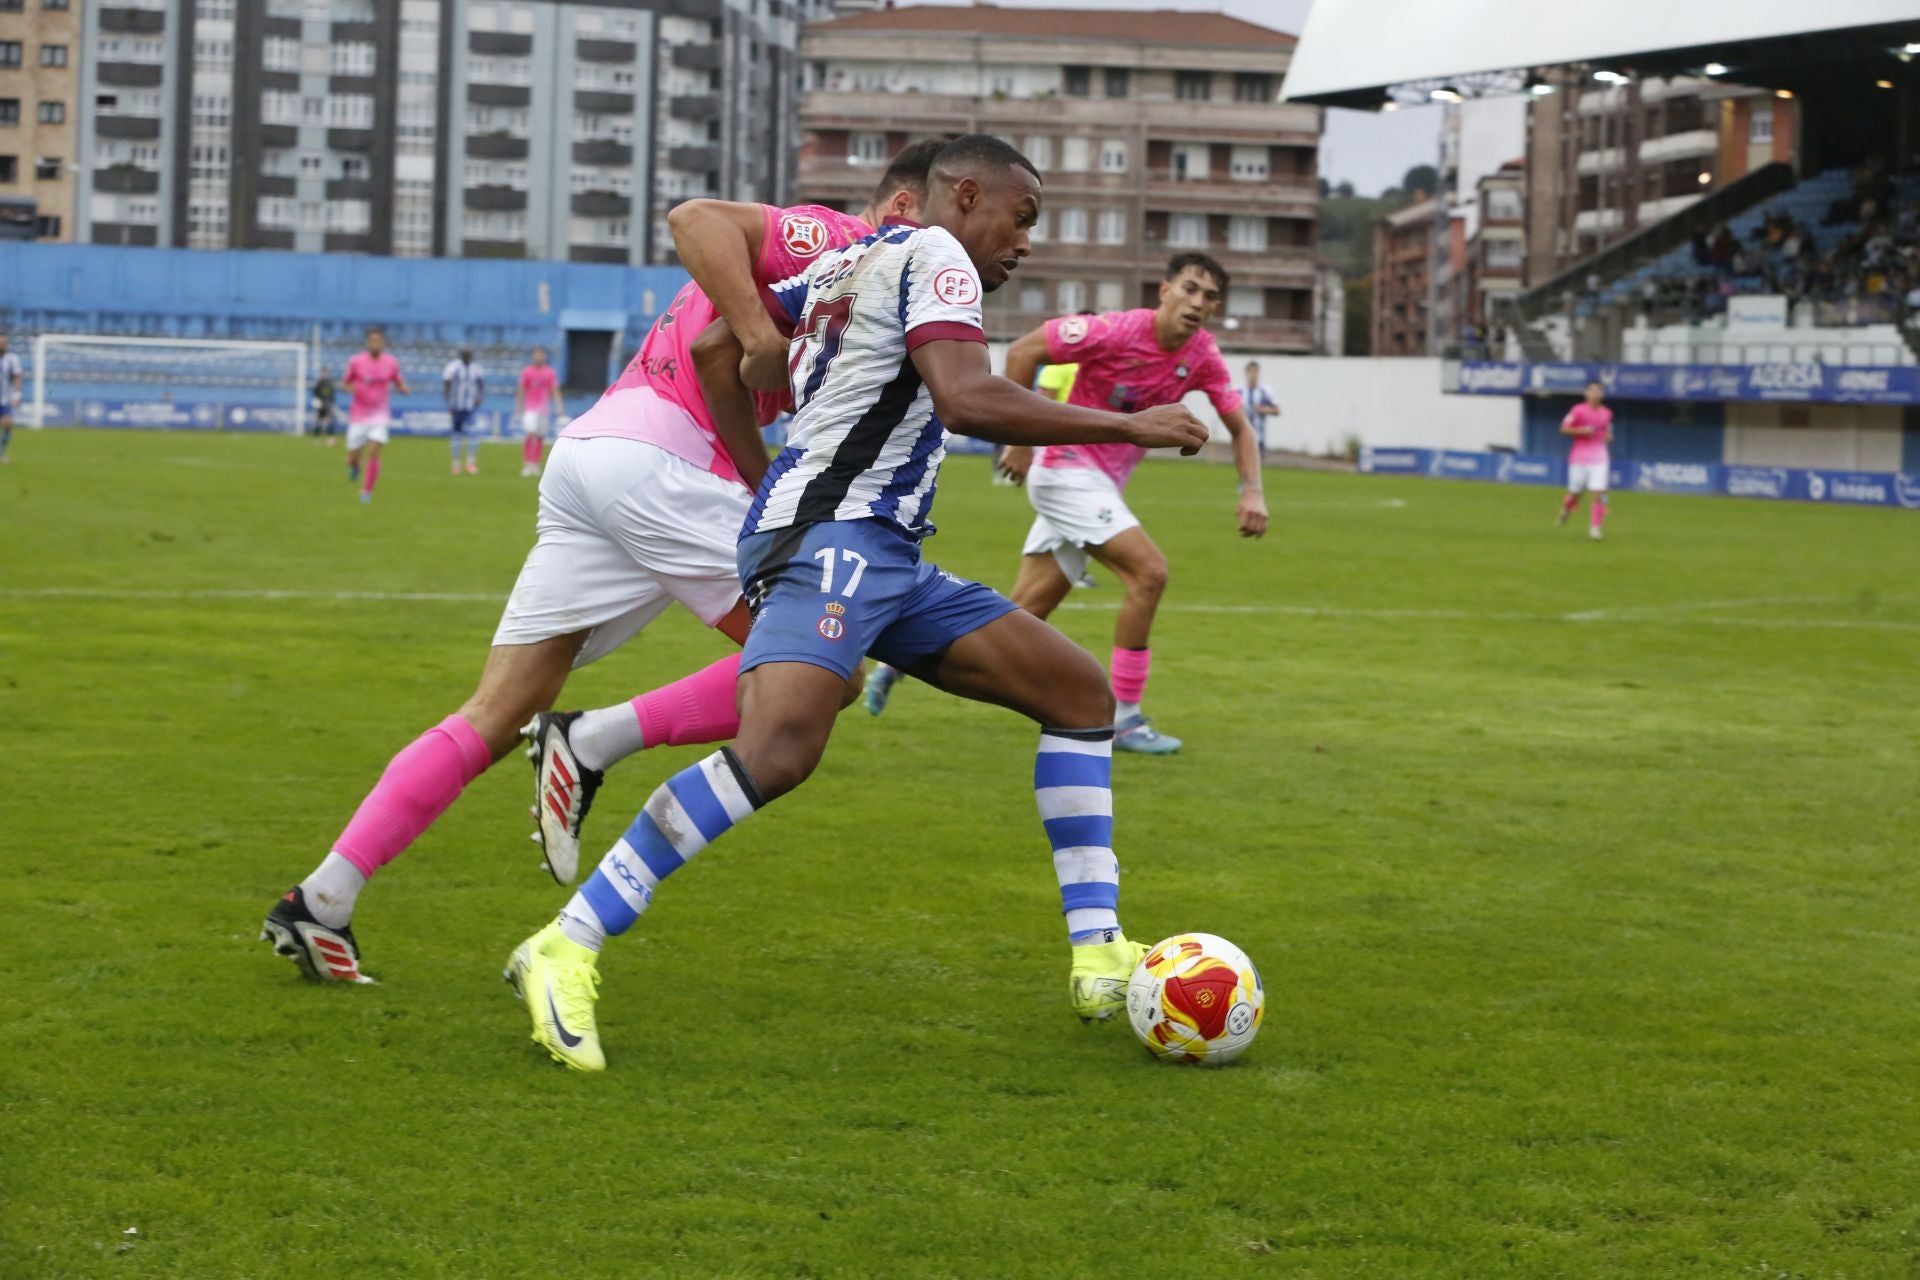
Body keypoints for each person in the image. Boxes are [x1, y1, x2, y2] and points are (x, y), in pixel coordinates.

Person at [501, 133, 1212, 1072]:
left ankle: (1097, 948)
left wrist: (769, 481)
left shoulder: (849, 263)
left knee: (1079, 698)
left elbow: (719, 347)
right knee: (779, 750)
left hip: (875, 547)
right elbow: (964, 399)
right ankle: (568, 940)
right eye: (1021, 217)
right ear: (964, 195)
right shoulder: (938, 256)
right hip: (840, 539)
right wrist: (1131, 423)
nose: (1023, 243)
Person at [259, 144, 940, 986]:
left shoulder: (878, 297)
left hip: (598, 455)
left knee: (499, 706)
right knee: (826, 677)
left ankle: (322, 899)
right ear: (906, 205)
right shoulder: (840, 241)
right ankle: (590, 741)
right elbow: (696, 221)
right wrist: (761, 343)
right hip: (665, 466)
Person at [865, 253, 1268, 755]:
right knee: (1150, 573)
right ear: (1164, 291)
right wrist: (1017, 442)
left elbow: (1240, 428)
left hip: (1098, 487)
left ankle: (894, 663)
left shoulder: (1203, 354)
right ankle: (1124, 718)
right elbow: (1026, 350)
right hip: (1065, 473)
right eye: (1189, 289)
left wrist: (1252, 489)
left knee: (1022, 614)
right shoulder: (1115, 331)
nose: (1198, 303)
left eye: (1209, 297)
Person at [343, 328, 408, 503]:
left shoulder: (391, 362)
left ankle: (366, 491)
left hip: (380, 415)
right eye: (372, 341)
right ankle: (354, 466)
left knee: (374, 449)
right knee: (353, 455)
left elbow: (398, 381)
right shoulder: (356, 362)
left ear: (383, 343)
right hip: (358, 415)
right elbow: (345, 383)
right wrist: (353, 389)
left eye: (378, 341)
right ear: (367, 343)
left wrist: (403, 389)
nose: (375, 344)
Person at [1557, 380, 1613, 541]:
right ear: (1586, 393)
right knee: (1575, 493)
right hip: (1579, 458)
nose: (1596, 393)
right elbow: (1563, 429)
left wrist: (1608, 437)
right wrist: (1580, 430)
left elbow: (1607, 432)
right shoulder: (1577, 410)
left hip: (1600, 457)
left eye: (1599, 391)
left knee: (1599, 493)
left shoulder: (1606, 413)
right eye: (1592, 390)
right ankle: (1566, 510)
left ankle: (1595, 529)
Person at [442, 348, 485, 475]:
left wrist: (479, 398)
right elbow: (446, 384)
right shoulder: (453, 367)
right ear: (461, 355)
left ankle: (470, 463)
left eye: (469, 354)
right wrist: (449, 402)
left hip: (470, 406)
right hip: (456, 406)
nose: (467, 356)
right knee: (456, 434)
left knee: (473, 434)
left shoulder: (476, 368)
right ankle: (456, 464)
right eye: (465, 354)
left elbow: (481, 384)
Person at [516, 348, 557, 477]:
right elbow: (522, 389)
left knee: (540, 436)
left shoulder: (549, 372)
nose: (539, 357)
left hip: (543, 408)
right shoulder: (527, 371)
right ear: (533, 357)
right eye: (537, 355)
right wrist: (519, 407)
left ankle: (536, 464)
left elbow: (554, 389)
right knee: (530, 434)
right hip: (530, 408)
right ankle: (528, 464)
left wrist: (558, 405)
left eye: (541, 355)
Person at [1242, 360, 1279, 451]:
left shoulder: (1264, 391)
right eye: (1250, 371)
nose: (1253, 374)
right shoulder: (1239, 391)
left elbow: (1277, 410)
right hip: (1242, 436)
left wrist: (1262, 409)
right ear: (1246, 372)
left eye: (1255, 371)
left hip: (1259, 436)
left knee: (1257, 464)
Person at [0, 333, 20, 465]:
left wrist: (17, 395)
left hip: (4, 398)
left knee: (8, 423)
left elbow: (17, 376)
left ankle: (2, 450)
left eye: (3, 342)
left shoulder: (12, 359)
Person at [312, 368, 338, 446]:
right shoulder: (319, 383)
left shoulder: (330, 383)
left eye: (326, 373)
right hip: (320, 405)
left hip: (328, 404)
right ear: (321, 374)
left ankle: (330, 438)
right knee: (318, 421)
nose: (325, 375)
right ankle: (316, 438)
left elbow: (332, 394)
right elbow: (315, 393)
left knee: (330, 420)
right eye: (324, 373)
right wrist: (316, 402)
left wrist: (332, 402)